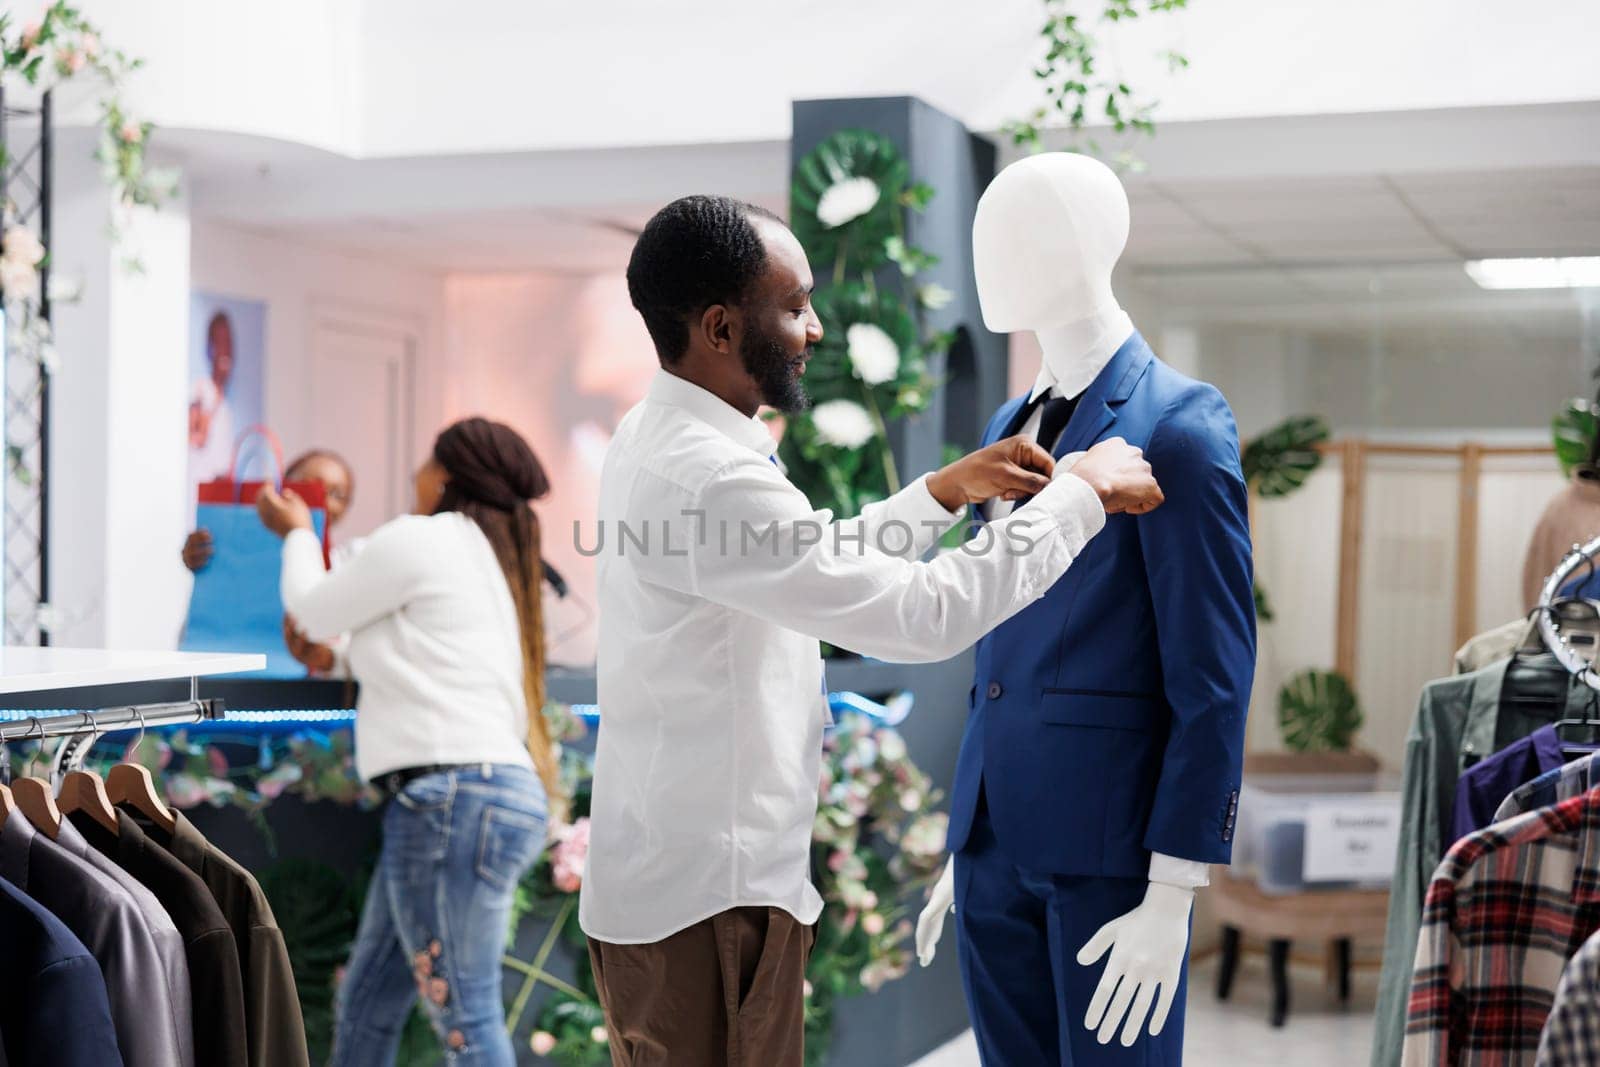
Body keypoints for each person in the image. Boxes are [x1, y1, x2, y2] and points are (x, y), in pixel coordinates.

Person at [580, 194, 1163, 1067]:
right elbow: (922, 615)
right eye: (795, 304)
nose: (815, 327)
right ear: (719, 327)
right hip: (709, 907)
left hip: (682, 890)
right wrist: (1083, 495)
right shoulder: (711, 476)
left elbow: (802, 561)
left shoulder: (660, 437)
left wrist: (938, 494)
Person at [255, 417, 556, 1066]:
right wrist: (334, 657)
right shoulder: (480, 553)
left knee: (465, 1020)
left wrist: (299, 532)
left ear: (445, 475)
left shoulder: (422, 539)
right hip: (477, 795)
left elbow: (310, 605)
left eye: (425, 460)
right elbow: (414, 656)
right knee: (368, 1004)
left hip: (450, 803)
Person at [189, 311, 238, 484]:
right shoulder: (201, 390)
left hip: (221, 487)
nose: (225, 351)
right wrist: (210, 410)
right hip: (200, 487)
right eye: (219, 343)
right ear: (210, 348)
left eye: (228, 343)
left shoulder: (226, 403)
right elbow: (195, 438)